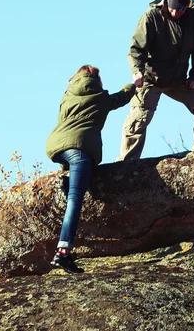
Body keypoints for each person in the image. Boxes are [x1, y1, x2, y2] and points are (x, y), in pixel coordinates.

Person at [46, 65, 136, 274]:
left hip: (57, 147)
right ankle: (63, 252)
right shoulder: (99, 97)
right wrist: (134, 85)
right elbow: (121, 98)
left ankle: (67, 179)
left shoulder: (68, 95)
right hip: (80, 151)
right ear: (97, 79)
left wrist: (64, 166)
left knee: (75, 187)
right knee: (75, 200)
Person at [118, 0, 194, 161]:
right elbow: (135, 49)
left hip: (178, 80)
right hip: (151, 78)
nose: (174, 13)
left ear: (186, 6)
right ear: (167, 1)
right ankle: (126, 165)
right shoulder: (151, 16)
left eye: (179, 10)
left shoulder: (193, 18)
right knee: (138, 118)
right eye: (171, 8)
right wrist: (137, 72)